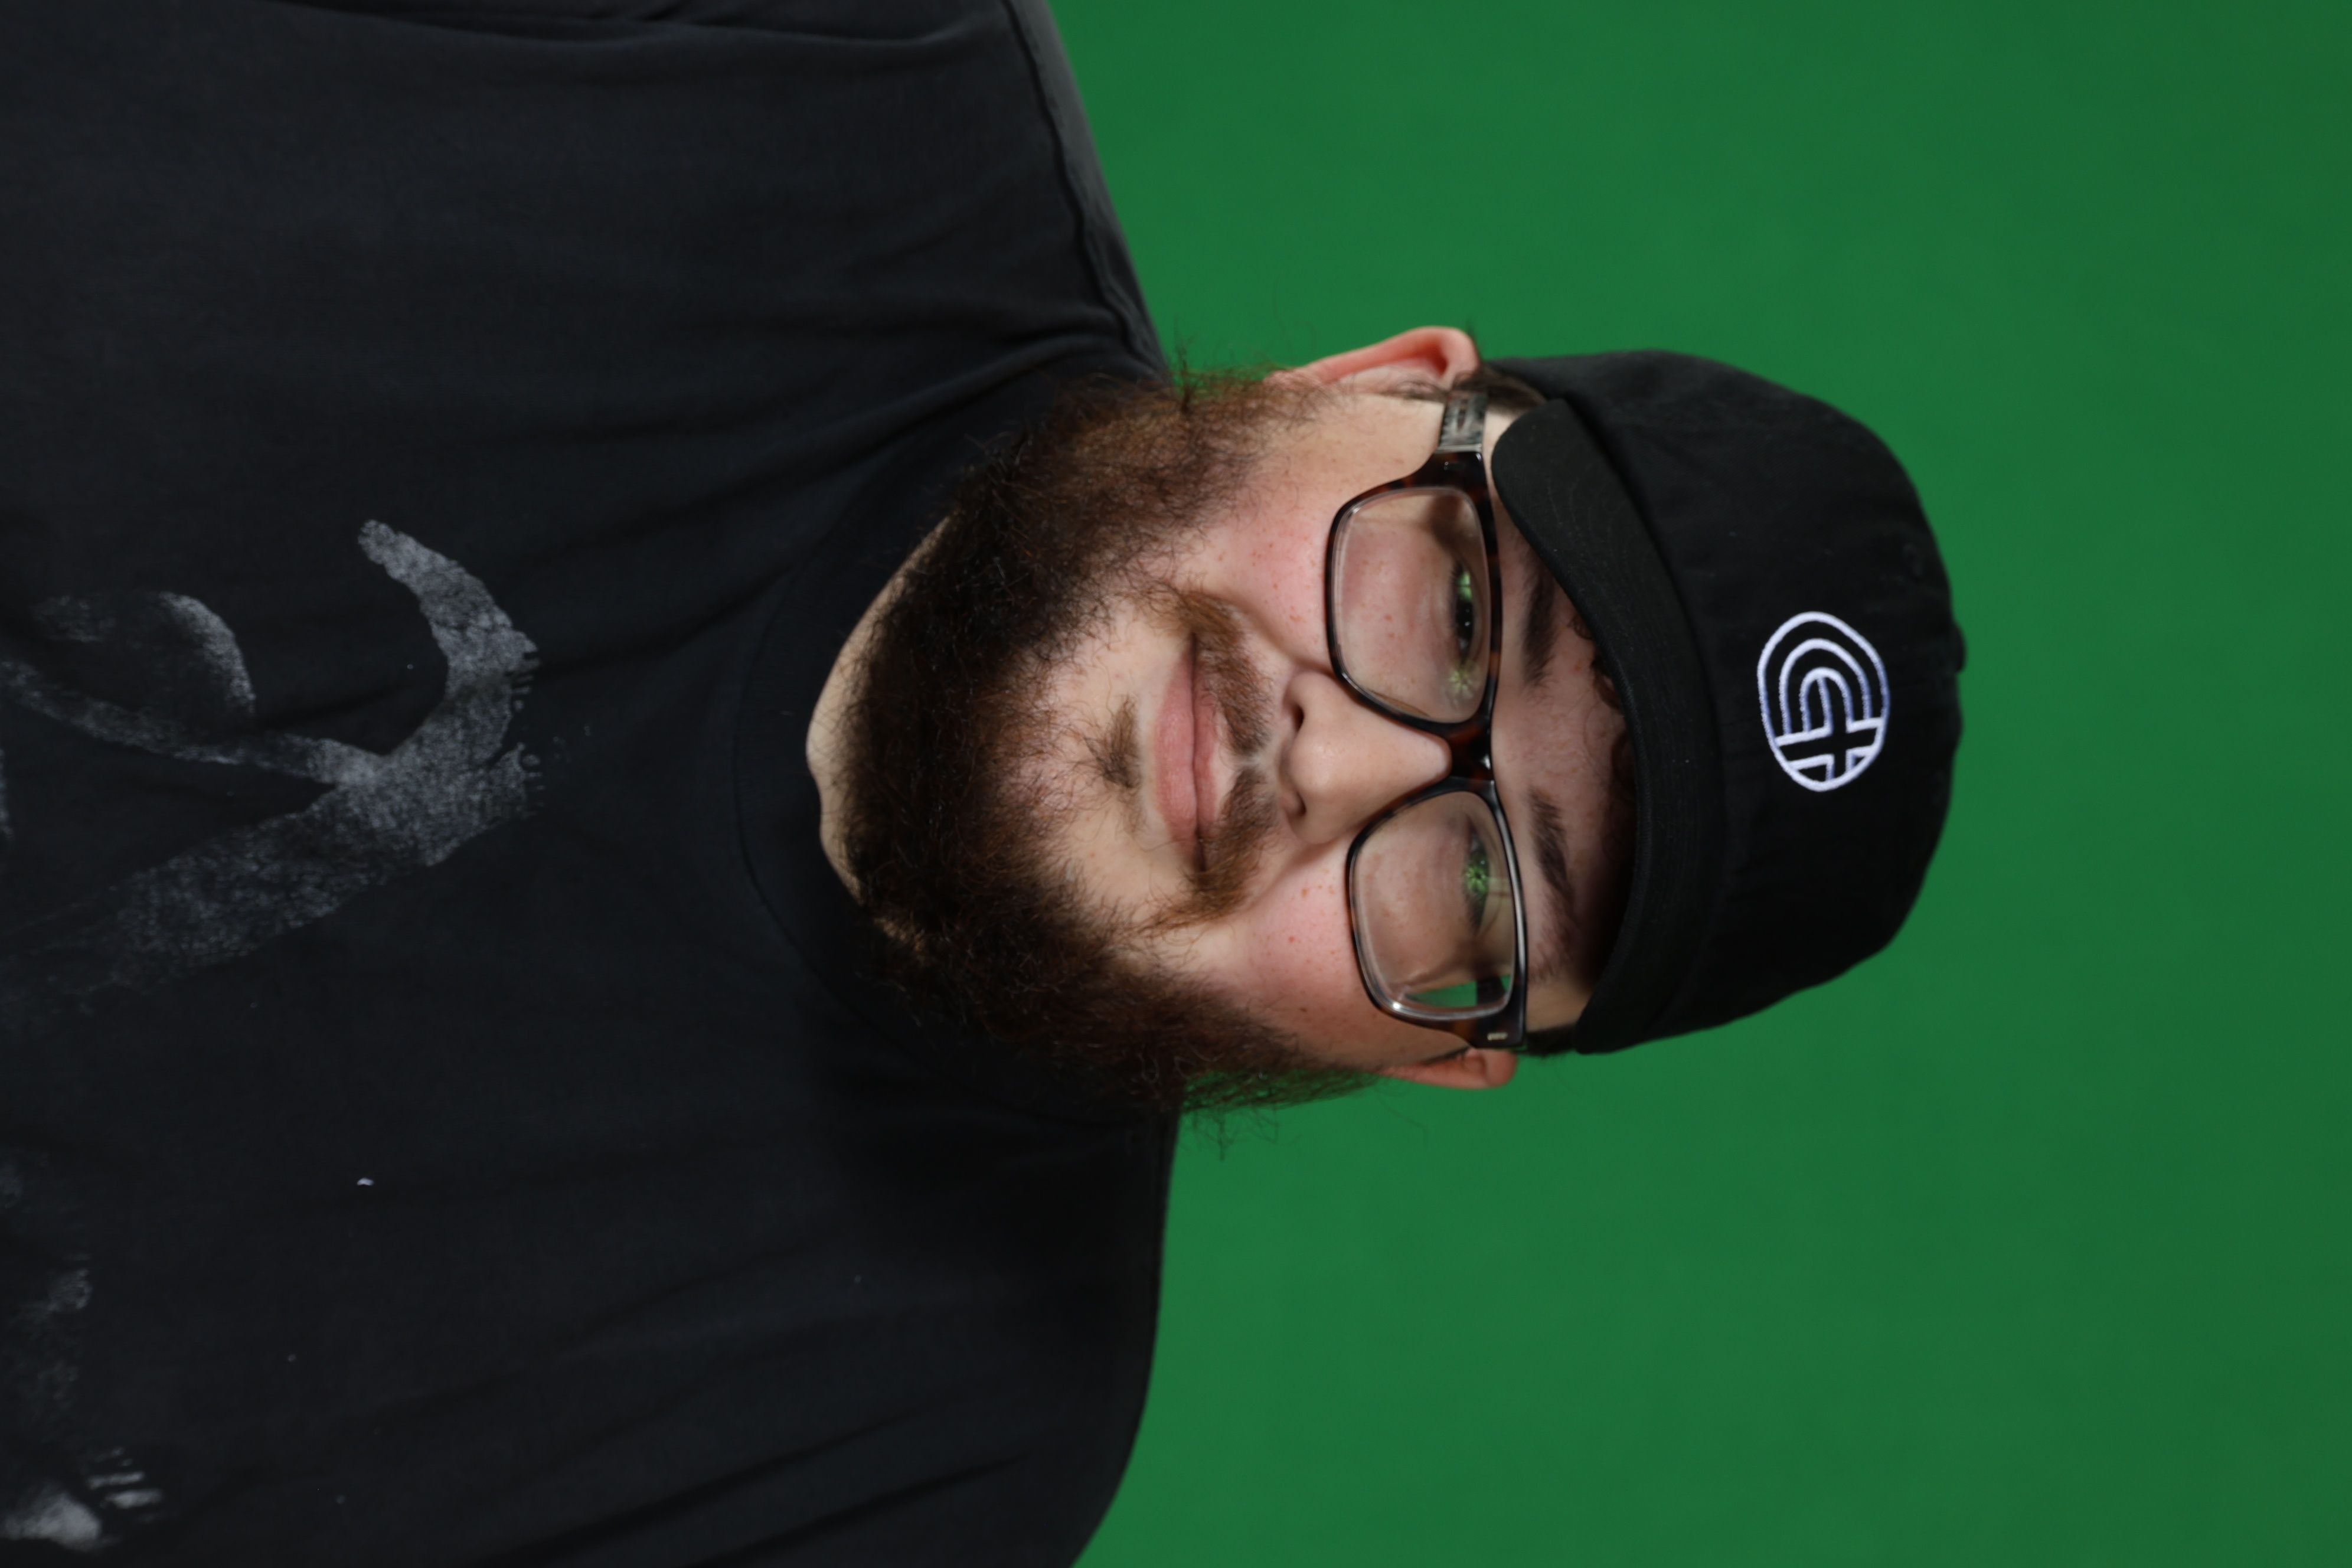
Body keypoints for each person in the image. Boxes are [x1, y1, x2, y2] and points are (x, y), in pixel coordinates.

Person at [0, 0, 1958, 1563]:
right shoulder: (792, 53)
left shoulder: (919, 1467)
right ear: (1368, 385)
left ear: (1433, 1052)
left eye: (1484, 884)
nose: (1338, 758)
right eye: (1455, 606)